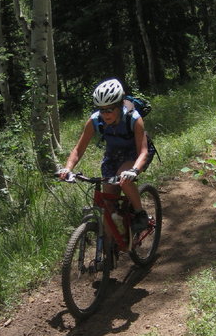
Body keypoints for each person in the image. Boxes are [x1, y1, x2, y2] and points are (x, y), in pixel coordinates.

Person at [59, 78, 150, 233]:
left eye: (110, 109)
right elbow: (78, 150)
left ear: (120, 105)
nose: (105, 114)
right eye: (102, 110)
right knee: (108, 204)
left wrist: (134, 170)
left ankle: (140, 213)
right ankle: (112, 246)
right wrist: (67, 168)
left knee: (124, 180)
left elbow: (143, 152)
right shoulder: (95, 120)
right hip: (113, 155)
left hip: (134, 155)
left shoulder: (133, 118)